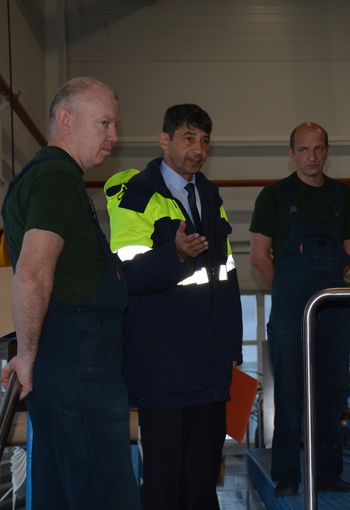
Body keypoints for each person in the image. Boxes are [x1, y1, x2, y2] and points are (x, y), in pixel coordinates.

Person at [0, 77, 141, 510]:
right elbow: (32, 272)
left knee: (60, 488)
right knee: (106, 490)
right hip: (80, 356)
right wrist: (25, 354)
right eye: (104, 123)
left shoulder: (39, 177)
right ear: (65, 120)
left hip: (68, 354)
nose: (113, 137)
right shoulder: (58, 178)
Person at [104, 104, 242, 510]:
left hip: (210, 366)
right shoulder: (136, 194)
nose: (197, 149)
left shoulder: (211, 197)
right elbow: (125, 276)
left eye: (203, 140)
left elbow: (226, 278)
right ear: (164, 141)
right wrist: (174, 254)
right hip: (161, 367)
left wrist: (230, 350)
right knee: (164, 483)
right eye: (188, 138)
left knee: (202, 482)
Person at [249, 122, 350, 497]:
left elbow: (349, 254)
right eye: (303, 150)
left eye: (318, 149)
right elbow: (258, 256)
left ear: (327, 151)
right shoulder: (273, 196)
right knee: (289, 393)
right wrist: (287, 291)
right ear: (291, 153)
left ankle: (328, 473)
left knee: (331, 392)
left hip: (332, 306)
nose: (311, 157)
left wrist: (323, 287)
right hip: (289, 306)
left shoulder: (343, 196)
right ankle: (287, 475)